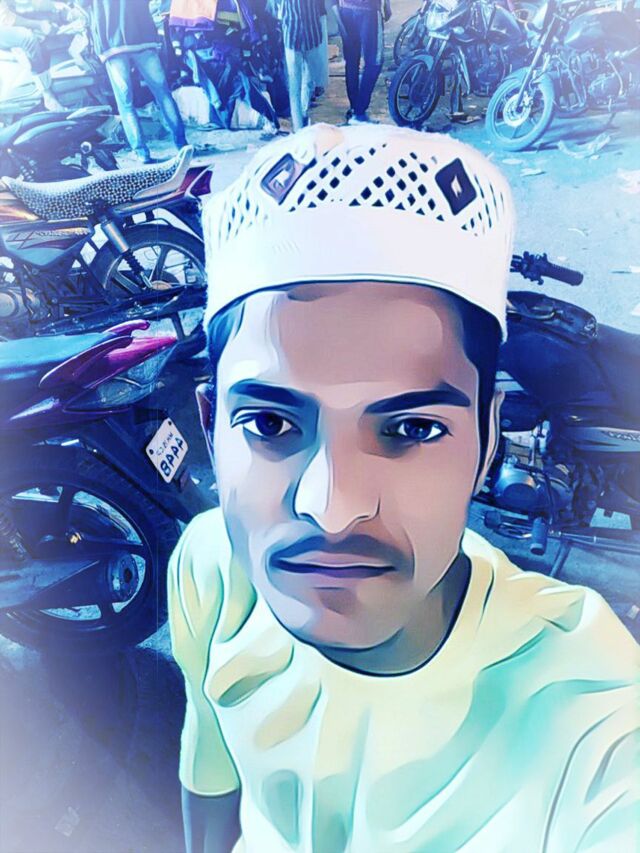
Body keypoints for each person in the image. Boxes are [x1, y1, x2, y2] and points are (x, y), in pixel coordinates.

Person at [169, 123, 639, 852]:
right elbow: (210, 771)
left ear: (487, 441)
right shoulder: (212, 568)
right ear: (211, 430)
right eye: (269, 423)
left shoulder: (589, 712)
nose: (331, 509)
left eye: (412, 429)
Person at [89, 0, 186, 163]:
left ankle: (142, 153)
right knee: (163, 95)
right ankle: (182, 145)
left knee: (125, 104)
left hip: (113, 45)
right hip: (143, 38)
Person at [0, 0, 67, 110]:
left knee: (49, 16)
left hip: (8, 13)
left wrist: (53, 5)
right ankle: (47, 94)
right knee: (27, 38)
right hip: (3, 21)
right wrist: (39, 25)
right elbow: (6, 19)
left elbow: (29, 2)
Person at [332, 0, 391, 123]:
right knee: (374, 62)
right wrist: (387, 4)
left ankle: (355, 108)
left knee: (351, 61)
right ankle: (359, 112)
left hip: (346, 10)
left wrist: (336, 9)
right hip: (369, 11)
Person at [270, 0, 324, 131]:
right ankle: (299, 125)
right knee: (297, 86)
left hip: (305, 34)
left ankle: (302, 118)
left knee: (306, 82)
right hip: (296, 35)